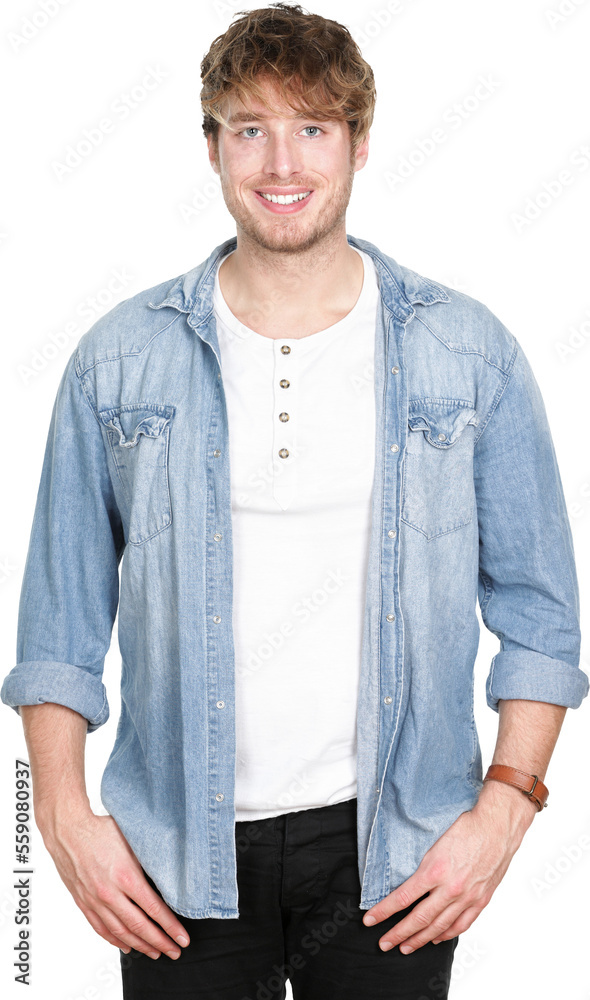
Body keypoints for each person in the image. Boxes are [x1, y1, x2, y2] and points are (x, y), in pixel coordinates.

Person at [2, 3, 588, 998]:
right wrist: (57, 819)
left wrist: (504, 810)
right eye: (250, 129)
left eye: (312, 127)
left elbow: (540, 611)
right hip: (172, 858)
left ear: (359, 142)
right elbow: (58, 626)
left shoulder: (467, 352)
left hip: (394, 853)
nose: (282, 163)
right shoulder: (119, 359)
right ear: (211, 147)